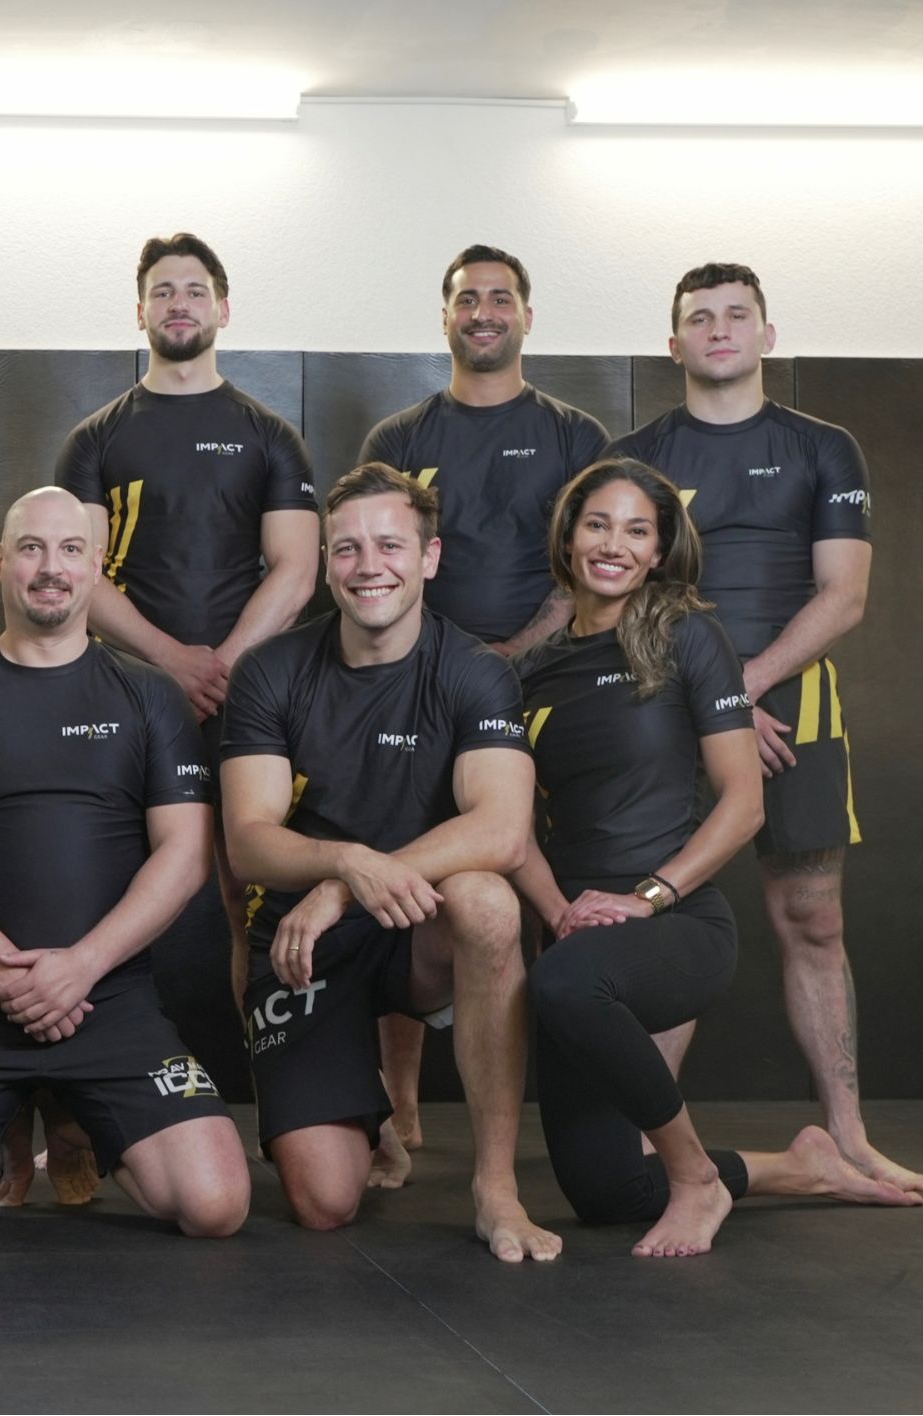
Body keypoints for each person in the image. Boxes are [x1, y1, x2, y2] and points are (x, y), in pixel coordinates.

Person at [512, 458, 921, 1256]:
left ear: (659, 551)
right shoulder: (533, 670)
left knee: (564, 981)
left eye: (637, 531)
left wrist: (647, 897)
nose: (614, 545)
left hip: (677, 924)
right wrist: (558, 912)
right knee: (607, 1193)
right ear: (567, 538)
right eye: (598, 524)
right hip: (575, 927)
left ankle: (695, 1175)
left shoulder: (689, 637)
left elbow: (743, 802)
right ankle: (798, 1168)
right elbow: (514, 823)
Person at [607, 263, 923, 1194]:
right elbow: (620, 593)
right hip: (665, 708)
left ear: (767, 335)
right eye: (700, 317)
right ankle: (646, 1144)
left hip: (794, 710)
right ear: (673, 343)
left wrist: (743, 690)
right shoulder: (637, 455)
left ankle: (849, 1134)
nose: (719, 329)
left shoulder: (823, 447)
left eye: (736, 315)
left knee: (814, 918)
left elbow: (845, 595)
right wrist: (715, 704)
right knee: (666, 922)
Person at [0, 488, 250, 1242]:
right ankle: (6, 1117)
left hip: (111, 997)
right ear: (0, 563)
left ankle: (76, 1119)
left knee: (216, 1206)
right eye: (32, 548)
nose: (51, 568)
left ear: (96, 568)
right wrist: (10, 976)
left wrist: (82, 967)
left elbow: (185, 854)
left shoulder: (150, 695)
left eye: (71, 550)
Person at [218, 463, 558, 1260]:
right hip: (304, 945)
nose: (368, 565)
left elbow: (504, 829)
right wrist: (345, 862)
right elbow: (248, 841)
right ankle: (365, 1109)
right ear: (326, 562)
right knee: (324, 1203)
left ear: (429, 557)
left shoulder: (475, 671)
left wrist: (344, 886)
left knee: (487, 900)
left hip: (413, 930)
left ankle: (496, 1188)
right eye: (347, 548)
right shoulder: (270, 671)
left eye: (390, 545)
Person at [53, 232, 321, 1191]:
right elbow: (78, 571)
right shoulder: (97, 437)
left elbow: (298, 566)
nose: (179, 303)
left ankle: (274, 1111)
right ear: (139, 311)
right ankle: (96, 1117)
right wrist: (171, 661)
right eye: (162, 291)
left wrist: (227, 664)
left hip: (248, 704)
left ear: (223, 308)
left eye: (195, 290)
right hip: (126, 699)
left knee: (245, 906)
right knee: (108, 898)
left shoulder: (267, 433)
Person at [355, 243, 611, 1185]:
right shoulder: (400, 435)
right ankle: (401, 1107)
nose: (484, 312)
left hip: (548, 679)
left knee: (536, 886)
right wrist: (453, 664)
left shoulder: (574, 434)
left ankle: (541, 1114)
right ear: (447, 317)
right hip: (419, 688)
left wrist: (516, 653)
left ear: (527, 317)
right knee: (403, 878)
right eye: (468, 299)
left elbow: (590, 559)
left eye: (501, 298)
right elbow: (380, 557)